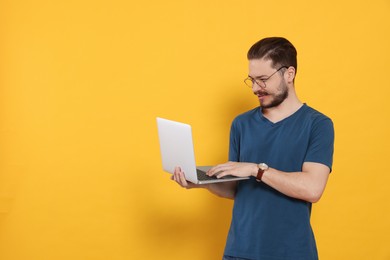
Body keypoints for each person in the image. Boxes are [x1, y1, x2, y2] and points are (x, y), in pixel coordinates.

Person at [172, 37, 334, 260]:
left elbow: (312, 189)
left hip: (292, 253)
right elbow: (237, 190)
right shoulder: (241, 124)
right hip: (240, 251)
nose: (256, 88)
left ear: (289, 74)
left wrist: (255, 169)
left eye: (263, 79)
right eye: (252, 80)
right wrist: (200, 182)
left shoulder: (317, 125)